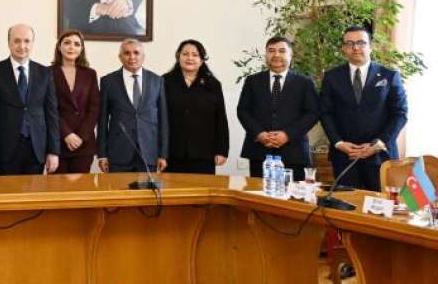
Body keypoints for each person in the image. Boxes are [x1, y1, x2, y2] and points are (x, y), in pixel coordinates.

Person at [319, 25, 408, 192]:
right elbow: (325, 113)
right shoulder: (331, 77)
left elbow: (400, 114)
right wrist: (339, 143)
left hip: (380, 157)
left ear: (370, 46)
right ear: (343, 48)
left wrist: (378, 144)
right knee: (345, 205)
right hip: (344, 156)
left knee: (381, 205)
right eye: (350, 43)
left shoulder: (389, 76)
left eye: (361, 43)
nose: (355, 48)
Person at [0, 24, 60, 175]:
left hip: (36, 149)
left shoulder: (45, 73)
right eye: (17, 41)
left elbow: (52, 114)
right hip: (4, 150)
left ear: (32, 43)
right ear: (9, 43)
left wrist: (53, 151)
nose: (22, 46)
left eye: (26, 41)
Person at [236, 36, 318, 179]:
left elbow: (313, 113)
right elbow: (243, 111)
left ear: (290, 55)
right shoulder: (252, 81)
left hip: (294, 152)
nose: (276, 55)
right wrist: (259, 134)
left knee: (292, 192)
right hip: (260, 151)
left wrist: (287, 135)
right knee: (259, 191)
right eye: (271, 50)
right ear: (266, 54)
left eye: (282, 51)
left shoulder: (304, 82)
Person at [97, 39, 167, 174]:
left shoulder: (157, 81)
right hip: (118, 152)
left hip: (149, 153)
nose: (132, 57)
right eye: (127, 53)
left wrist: (163, 154)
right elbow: (102, 121)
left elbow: (163, 120)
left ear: (143, 56)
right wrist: (102, 154)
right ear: (120, 57)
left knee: (147, 189)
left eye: (136, 53)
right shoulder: (108, 81)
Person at [163, 39, 230, 174]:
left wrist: (222, 150)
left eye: (195, 55)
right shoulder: (165, 81)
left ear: (202, 60)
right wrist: (159, 152)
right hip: (172, 153)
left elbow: (221, 119)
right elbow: (158, 118)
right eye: (185, 54)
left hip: (204, 153)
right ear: (178, 56)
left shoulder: (213, 84)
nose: (190, 58)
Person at [51, 29, 100, 174]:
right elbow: (49, 108)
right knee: (57, 186)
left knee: (81, 186)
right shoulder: (47, 73)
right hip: (57, 141)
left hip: (83, 143)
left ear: (81, 49)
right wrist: (66, 134)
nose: (71, 47)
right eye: (67, 43)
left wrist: (81, 136)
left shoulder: (90, 74)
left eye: (77, 44)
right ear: (59, 47)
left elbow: (94, 108)